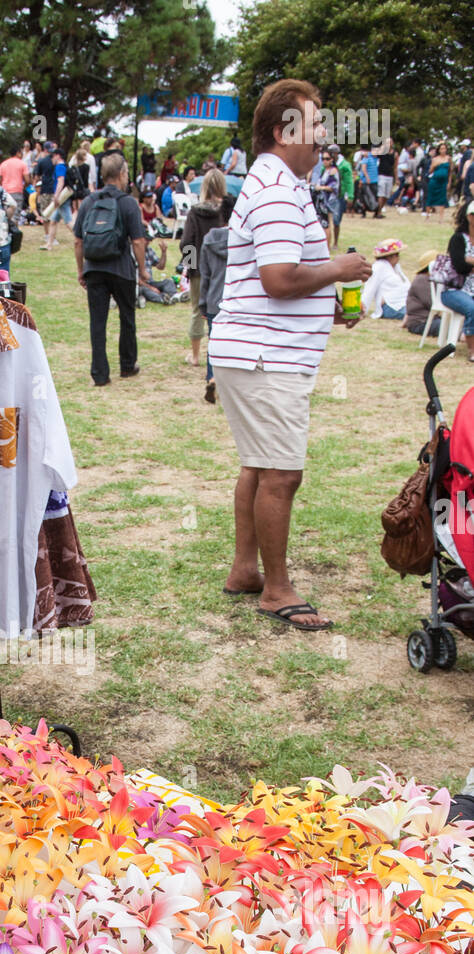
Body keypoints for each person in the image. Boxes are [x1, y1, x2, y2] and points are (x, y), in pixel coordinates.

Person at [209, 78, 371, 631]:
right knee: (281, 474)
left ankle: (245, 570)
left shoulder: (276, 183)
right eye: (316, 124)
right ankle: (277, 589)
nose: (324, 134)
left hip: (255, 352)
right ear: (284, 132)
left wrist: (328, 304)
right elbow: (278, 278)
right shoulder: (278, 189)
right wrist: (339, 270)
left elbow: (276, 279)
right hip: (266, 357)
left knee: (259, 465)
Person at [72, 150, 148, 386]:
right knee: (127, 317)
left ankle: (100, 373)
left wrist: (81, 270)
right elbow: (138, 241)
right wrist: (143, 270)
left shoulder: (89, 202)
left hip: (94, 268)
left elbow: (78, 241)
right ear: (122, 174)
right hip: (121, 268)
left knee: (97, 322)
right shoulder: (128, 203)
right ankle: (127, 365)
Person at [180, 167, 225, 368]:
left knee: (197, 311)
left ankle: (196, 355)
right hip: (223, 269)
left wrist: (190, 268)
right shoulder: (227, 211)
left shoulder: (195, 212)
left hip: (199, 268)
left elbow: (187, 242)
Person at [198, 192, 236, 403]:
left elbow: (204, 274)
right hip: (236, 300)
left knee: (214, 343)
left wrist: (202, 303)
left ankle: (212, 377)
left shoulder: (209, 239)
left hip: (214, 298)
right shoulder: (246, 239)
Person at [440, 199, 474, 361]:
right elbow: (460, 266)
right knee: (472, 309)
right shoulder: (458, 239)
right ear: (468, 216)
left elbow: (464, 262)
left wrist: (469, 260)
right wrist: (467, 262)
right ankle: (472, 350)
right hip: (454, 290)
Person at [361, 238, 410, 319]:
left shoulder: (396, 267)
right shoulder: (379, 267)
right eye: (397, 255)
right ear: (390, 256)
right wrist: (362, 310)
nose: (398, 257)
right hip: (391, 307)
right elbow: (369, 289)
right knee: (416, 315)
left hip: (404, 303)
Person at [41, 147, 73, 251]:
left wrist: (56, 196)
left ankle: (82, 239)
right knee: (53, 221)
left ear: (58, 156)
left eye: (53, 156)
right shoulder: (64, 166)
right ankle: (49, 244)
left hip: (61, 198)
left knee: (68, 222)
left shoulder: (59, 167)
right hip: (63, 196)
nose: (52, 159)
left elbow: (60, 181)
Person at [402, 249, 440, 336]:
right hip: (421, 322)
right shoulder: (422, 280)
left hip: (430, 319)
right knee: (447, 326)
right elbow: (432, 303)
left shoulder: (432, 279)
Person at [425, 142, 450, 220]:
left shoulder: (448, 158)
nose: (443, 150)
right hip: (435, 180)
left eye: (444, 148)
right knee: (430, 197)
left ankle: (441, 217)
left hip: (443, 181)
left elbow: (450, 171)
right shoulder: (435, 159)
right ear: (439, 150)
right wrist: (434, 166)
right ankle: (427, 216)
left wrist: (449, 182)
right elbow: (430, 171)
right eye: (441, 149)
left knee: (442, 199)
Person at [376, 138, 396, 217]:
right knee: (381, 194)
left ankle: (380, 209)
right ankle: (378, 212)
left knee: (387, 195)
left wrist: (396, 178)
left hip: (390, 176)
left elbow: (395, 167)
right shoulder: (382, 151)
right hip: (381, 175)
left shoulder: (395, 153)